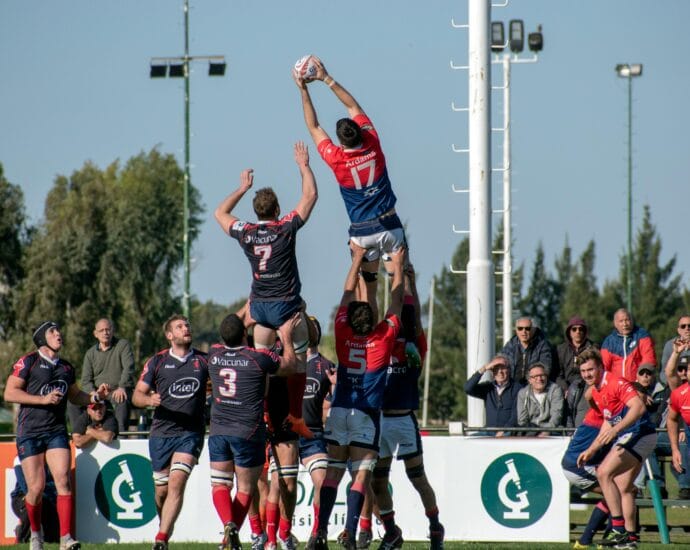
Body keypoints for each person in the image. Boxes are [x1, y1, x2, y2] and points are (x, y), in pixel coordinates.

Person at [214, 142, 318, 437]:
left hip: (259, 309)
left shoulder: (246, 232)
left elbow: (220, 213)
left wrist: (242, 188)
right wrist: (303, 165)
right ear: (277, 210)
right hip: (286, 308)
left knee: (261, 364)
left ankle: (259, 416)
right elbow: (310, 195)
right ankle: (297, 416)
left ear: (256, 211)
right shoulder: (285, 228)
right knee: (299, 364)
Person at [294, 56, 406, 320]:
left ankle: (373, 342)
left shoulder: (336, 158)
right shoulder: (373, 143)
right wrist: (326, 78)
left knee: (369, 292)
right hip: (390, 225)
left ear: (341, 143)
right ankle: (397, 345)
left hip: (362, 232)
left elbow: (313, 126)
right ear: (361, 132)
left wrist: (303, 89)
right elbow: (352, 105)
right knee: (402, 285)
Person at [310, 243, 405, 550]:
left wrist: (355, 260)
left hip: (339, 412)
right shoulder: (382, 339)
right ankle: (350, 533)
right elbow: (397, 301)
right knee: (360, 478)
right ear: (372, 322)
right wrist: (398, 265)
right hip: (365, 416)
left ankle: (318, 533)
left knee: (332, 477)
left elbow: (348, 291)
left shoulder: (341, 332)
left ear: (350, 320)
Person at [4, 320, 110, 550]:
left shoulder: (66, 367)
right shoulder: (29, 362)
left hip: (56, 431)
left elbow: (75, 396)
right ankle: (35, 534)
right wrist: (41, 400)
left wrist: (95, 397)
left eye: (59, 330)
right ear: (42, 338)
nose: (59, 334)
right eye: (53, 331)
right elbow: (10, 393)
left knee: (63, 480)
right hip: (29, 433)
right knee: (36, 488)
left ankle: (66, 539)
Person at [207, 313, 299, 550]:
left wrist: (244, 315)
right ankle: (232, 532)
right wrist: (287, 338)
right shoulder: (258, 358)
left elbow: (230, 331)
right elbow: (290, 365)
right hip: (247, 431)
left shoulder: (214, 354)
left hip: (218, 430)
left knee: (220, 486)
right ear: (245, 335)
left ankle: (228, 525)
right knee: (246, 488)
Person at [372, 265, 444, 550]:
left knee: (418, 479)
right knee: (379, 482)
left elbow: (415, 317)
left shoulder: (416, 345)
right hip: (381, 422)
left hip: (403, 421)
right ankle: (391, 532)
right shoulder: (380, 343)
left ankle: (436, 527)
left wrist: (410, 283)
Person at [132, 314, 209, 550]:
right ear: (169, 335)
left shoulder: (204, 361)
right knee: (162, 492)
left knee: (177, 481)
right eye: (179, 326)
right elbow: (136, 396)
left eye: (187, 324)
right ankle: (163, 523)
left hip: (190, 433)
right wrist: (148, 399)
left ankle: (161, 539)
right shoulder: (156, 362)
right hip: (161, 434)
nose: (186, 328)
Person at [576, 348, 657, 548]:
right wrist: (592, 449)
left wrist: (615, 431)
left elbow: (638, 407)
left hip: (641, 433)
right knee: (623, 488)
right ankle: (630, 539)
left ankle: (618, 531)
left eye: (590, 369)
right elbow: (607, 423)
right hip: (633, 435)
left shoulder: (615, 382)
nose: (587, 374)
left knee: (604, 472)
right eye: (583, 371)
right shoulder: (597, 390)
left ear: (600, 367)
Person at [301, 316, 337, 547]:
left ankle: (317, 533)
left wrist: (336, 387)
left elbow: (332, 402)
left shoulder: (326, 366)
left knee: (322, 481)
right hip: (285, 435)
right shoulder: (285, 362)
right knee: (280, 486)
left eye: (312, 326)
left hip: (313, 435)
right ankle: (276, 536)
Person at [561, 407, 612, 549]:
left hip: (574, 465)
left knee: (616, 494)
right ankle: (608, 541)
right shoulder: (606, 415)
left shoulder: (601, 411)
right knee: (617, 494)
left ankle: (586, 541)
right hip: (578, 466)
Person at [80, 318, 136, 433]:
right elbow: (86, 380)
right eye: (101, 330)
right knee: (73, 403)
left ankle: (121, 439)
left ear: (112, 331)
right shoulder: (90, 354)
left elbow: (129, 367)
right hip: (98, 394)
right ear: (95, 334)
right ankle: (79, 435)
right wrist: (93, 393)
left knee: (121, 400)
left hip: (118, 391)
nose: (105, 333)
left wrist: (122, 387)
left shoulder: (122, 345)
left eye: (108, 329)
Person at [464, 354, 522, 435]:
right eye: (496, 368)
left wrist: (504, 430)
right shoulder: (488, 388)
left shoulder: (517, 388)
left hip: (508, 432)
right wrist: (484, 368)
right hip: (488, 432)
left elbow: (516, 415)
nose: (500, 372)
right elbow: (467, 388)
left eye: (503, 368)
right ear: (492, 372)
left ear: (509, 370)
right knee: (470, 440)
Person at [600, 308, 656, 383]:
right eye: (621, 321)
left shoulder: (642, 335)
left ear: (632, 321)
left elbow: (648, 358)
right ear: (615, 324)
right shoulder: (609, 342)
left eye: (627, 320)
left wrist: (642, 378)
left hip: (638, 384)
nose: (625, 324)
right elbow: (604, 366)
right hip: (617, 386)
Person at [11, 459, 59, 544]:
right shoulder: (21, 457)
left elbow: (55, 485)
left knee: (53, 537)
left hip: (47, 499)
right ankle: (21, 538)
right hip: (22, 497)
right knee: (30, 506)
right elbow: (25, 487)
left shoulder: (53, 455)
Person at [500, 317, 553, 384]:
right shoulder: (510, 346)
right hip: (512, 387)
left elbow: (545, 368)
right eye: (520, 328)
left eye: (527, 328)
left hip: (534, 386)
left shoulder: (543, 346)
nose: (523, 331)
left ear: (533, 330)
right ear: (516, 330)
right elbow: (501, 365)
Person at [516, 363, 565, 435]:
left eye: (542, 375)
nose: (539, 379)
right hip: (530, 431)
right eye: (535, 376)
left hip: (552, 431)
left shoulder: (555, 389)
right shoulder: (522, 393)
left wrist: (546, 431)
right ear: (530, 380)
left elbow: (556, 415)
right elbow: (522, 420)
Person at [555, 316, 597, 392]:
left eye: (581, 329)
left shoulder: (593, 348)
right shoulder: (561, 350)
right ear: (569, 332)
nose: (578, 331)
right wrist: (565, 388)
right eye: (574, 329)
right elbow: (558, 375)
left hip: (587, 386)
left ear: (584, 331)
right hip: (566, 388)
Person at [659, 314, 690, 385]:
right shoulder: (670, 345)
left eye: (689, 326)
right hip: (675, 385)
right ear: (679, 330)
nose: (687, 328)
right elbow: (663, 372)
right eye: (683, 326)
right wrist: (673, 383)